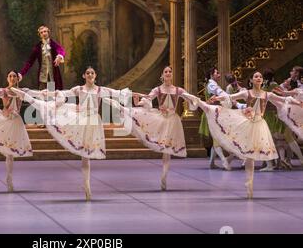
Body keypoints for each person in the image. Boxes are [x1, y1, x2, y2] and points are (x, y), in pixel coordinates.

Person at [12, 66, 125, 201]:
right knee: (83, 154)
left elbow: (118, 93)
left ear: (95, 75)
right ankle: (87, 185)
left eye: (92, 73)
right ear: (84, 76)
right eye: (87, 73)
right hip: (79, 119)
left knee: (86, 155)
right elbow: (61, 93)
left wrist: (135, 95)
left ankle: (86, 185)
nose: (90, 75)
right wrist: (35, 92)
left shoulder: (101, 90)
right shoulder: (78, 89)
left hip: (92, 123)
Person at [193, 71, 303, 199]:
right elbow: (230, 97)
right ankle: (249, 182)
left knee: (252, 155)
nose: (258, 78)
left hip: (260, 125)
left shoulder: (267, 94)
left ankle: (250, 180)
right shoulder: (247, 93)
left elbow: (284, 100)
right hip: (247, 124)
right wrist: (217, 98)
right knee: (249, 156)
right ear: (251, 80)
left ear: (262, 80)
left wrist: (298, 103)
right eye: (256, 76)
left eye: (260, 76)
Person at [106, 66, 199, 191]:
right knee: (139, 117)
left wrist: (195, 101)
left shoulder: (178, 90)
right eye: (166, 71)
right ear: (162, 74)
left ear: (172, 74)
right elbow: (147, 101)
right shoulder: (158, 89)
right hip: (160, 119)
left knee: (167, 152)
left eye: (170, 71)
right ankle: (121, 108)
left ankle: (164, 177)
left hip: (172, 121)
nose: (168, 73)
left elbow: (192, 101)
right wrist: (138, 101)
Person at [198, 68, 233, 170]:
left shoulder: (212, 84)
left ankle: (212, 163)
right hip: (212, 114)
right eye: (217, 73)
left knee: (216, 138)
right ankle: (223, 160)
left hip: (214, 113)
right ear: (211, 74)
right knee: (217, 138)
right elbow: (221, 94)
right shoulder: (212, 85)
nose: (219, 74)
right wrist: (230, 98)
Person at [18, 25, 66, 90]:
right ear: (40, 35)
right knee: (42, 96)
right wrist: (21, 73)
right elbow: (29, 62)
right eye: (41, 32)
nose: (44, 33)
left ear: (48, 33)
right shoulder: (37, 47)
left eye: (45, 31)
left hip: (52, 76)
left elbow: (61, 49)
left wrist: (60, 56)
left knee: (51, 97)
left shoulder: (53, 44)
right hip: (42, 77)